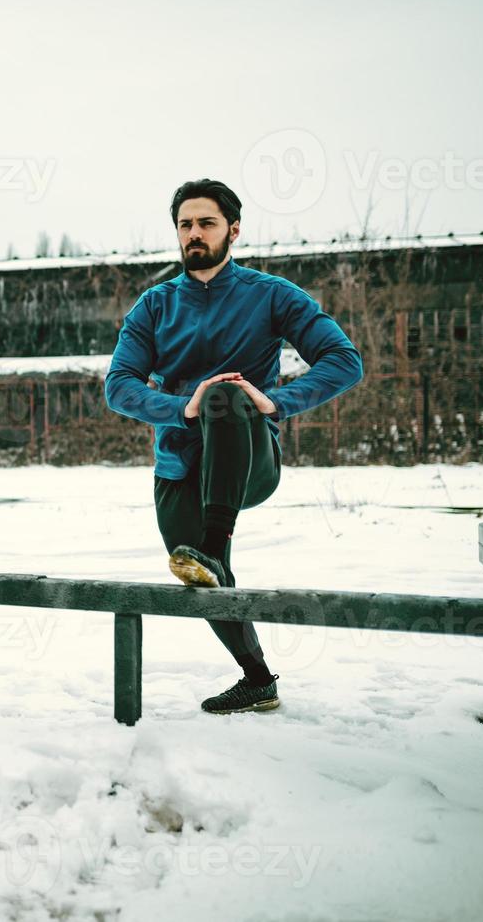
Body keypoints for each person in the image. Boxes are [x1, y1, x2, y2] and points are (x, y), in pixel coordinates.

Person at [103, 179, 364, 714]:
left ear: (234, 230)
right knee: (199, 578)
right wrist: (182, 408)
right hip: (179, 466)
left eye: (207, 223)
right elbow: (119, 385)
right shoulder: (154, 306)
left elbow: (343, 360)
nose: (194, 233)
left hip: (250, 462)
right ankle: (257, 679)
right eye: (185, 224)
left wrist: (275, 402)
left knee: (226, 394)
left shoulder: (272, 295)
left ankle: (215, 543)